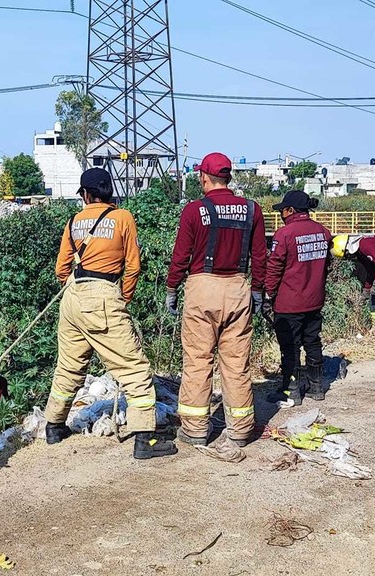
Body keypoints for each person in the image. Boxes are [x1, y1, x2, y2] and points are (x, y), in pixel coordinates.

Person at [44, 167, 176, 460]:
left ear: (86, 194)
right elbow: (133, 265)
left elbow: (60, 270)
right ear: (108, 191)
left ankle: (53, 425)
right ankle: (145, 439)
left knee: (69, 366)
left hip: (72, 297)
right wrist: (123, 297)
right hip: (104, 295)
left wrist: (76, 287)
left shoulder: (73, 220)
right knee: (133, 368)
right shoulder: (123, 217)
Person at [166, 152, 267, 446]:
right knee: (236, 363)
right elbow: (260, 255)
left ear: (204, 177)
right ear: (229, 178)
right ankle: (240, 430)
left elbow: (181, 256)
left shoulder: (194, 210)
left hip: (202, 289)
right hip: (238, 288)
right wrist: (258, 291)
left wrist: (172, 288)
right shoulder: (252, 209)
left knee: (198, 360)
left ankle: (196, 429)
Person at [264, 190, 331, 408]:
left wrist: (268, 294)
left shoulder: (284, 234)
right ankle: (317, 387)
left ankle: (291, 391)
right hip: (315, 299)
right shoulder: (323, 232)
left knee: (289, 347)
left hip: (289, 302)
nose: (281, 214)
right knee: (312, 342)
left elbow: (274, 268)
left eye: (282, 210)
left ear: (291, 210)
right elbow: (326, 265)